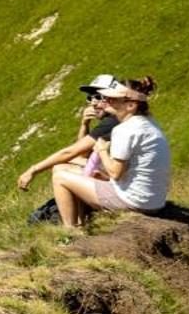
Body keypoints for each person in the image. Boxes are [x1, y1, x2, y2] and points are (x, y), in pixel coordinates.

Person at [49, 77, 169, 228]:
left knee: (60, 177)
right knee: (70, 170)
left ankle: (70, 232)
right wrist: (104, 176)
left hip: (135, 202)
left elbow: (115, 173)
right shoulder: (149, 123)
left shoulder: (124, 130)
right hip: (154, 201)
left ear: (131, 105)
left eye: (113, 98)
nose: (106, 100)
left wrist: (102, 151)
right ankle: (80, 224)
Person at [17, 75, 122, 215]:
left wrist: (33, 170)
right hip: (116, 174)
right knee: (66, 163)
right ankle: (77, 212)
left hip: (118, 180)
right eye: (90, 98)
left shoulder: (112, 122)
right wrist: (85, 124)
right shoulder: (111, 120)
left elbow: (71, 152)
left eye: (97, 96)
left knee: (61, 168)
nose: (93, 103)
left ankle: (76, 220)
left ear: (111, 97)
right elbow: (83, 153)